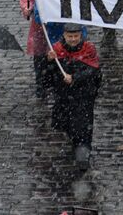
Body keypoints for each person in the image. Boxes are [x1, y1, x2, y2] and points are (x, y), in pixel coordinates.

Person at [51, 23, 102, 169]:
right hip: (64, 96)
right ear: (64, 36)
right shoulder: (56, 49)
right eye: (70, 36)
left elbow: (93, 71)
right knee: (68, 124)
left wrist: (75, 77)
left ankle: (83, 154)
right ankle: (77, 144)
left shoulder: (89, 49)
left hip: (83, 95)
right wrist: (48, 60)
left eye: (76, 36)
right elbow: (47, 74)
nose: (73, 39)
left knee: (83, 126)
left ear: (81, 35)